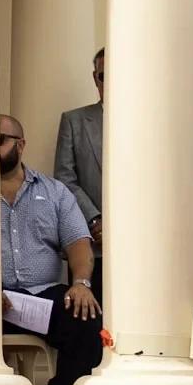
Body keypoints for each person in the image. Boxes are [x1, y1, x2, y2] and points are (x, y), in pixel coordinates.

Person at [0, 114, 102, 385]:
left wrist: (81, 283)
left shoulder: (55, 192)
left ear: (20, 145)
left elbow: (79, 243)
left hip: (41, 296)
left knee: (85, 320)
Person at [53, 48, 105, 270]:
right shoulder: (74, 121)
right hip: (94, 245)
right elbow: (65, 179)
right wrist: (95, 220)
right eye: (104, 76)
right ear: (95, 78)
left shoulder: (149, 121)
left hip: (142, 242)